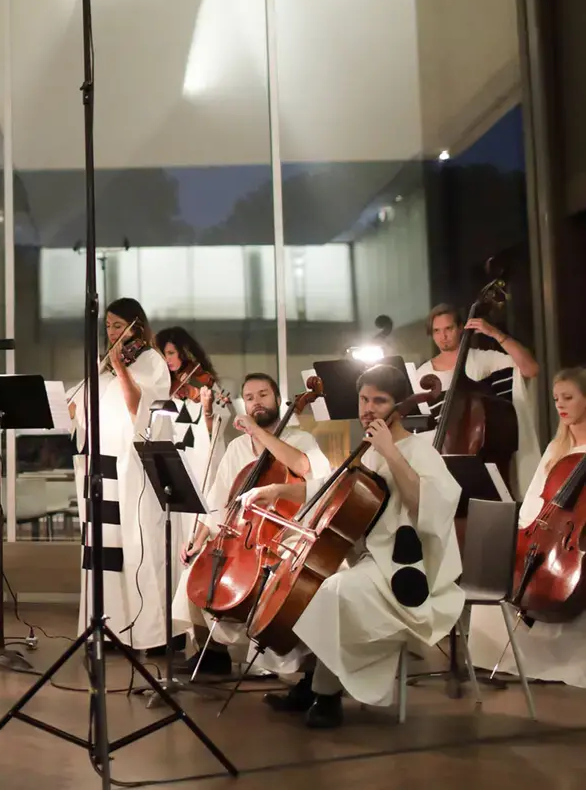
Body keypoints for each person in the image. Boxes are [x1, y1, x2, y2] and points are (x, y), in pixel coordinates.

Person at [247, 364, 463, 728]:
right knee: (311, 587)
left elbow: (425, 508)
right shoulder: (367, 451)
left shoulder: (421, 452)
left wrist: (392, 453)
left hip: (408, 572)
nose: (368, 408)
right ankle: (315, 685)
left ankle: (325, 695)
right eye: (364, 399)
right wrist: (278, 490)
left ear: (398, 405)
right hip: (372, 560)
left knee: (332, 592)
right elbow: (333, 490)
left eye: (379, 401)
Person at [171, 373, 330, 677]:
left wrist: (257, 431)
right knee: (197, 569)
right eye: (250, 397)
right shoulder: (237, 449)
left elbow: (304, 467)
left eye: (263, 395)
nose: (257, 402)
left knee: (280, 584)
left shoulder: (299, 438)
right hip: (248, 536)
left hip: (288, 535)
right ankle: (213, 655)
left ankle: (300, 666)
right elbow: (219, 500)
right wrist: (198, 538)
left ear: (276, 399)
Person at [469, 367, 586, 687]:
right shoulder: (556, 448)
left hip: (575, 543)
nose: (560, 405)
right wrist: (523, 532)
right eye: (556, 399)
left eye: (568, 397)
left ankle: (560, 666)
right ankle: (497, 658)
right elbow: (537, 494)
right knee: (495, 571)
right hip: (544, 531)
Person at [68, 298, 171, 653]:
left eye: (117, 325)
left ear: (136, 326)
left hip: (131, 467)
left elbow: (140, 408)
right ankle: (107, 627)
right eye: (108, 326)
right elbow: (75, 403)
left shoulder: (150, 360)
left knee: (135, 547)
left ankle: (147, 633)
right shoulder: (105, 365)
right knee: (103, 552)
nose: (111, 332)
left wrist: (120, 369)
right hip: (100, 465)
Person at [417, 302, 541, 494]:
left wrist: (495, 334)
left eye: (448, 328)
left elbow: (530, 368)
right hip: (442, 459)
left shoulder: (482, 359)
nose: (443, 336)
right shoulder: (422, 373)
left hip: (483, 456)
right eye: (436, 331)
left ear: (461, 328)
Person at [154, 326, 234, 568]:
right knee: (177, 527)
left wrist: (208, 410)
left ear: (184, 353)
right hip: (178, 463)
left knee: (201, 520)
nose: (167, 360)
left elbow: (216, 428)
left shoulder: (204, 384)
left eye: (170, 353)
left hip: (202, 463)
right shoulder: (165, 387)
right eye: (163, 354)